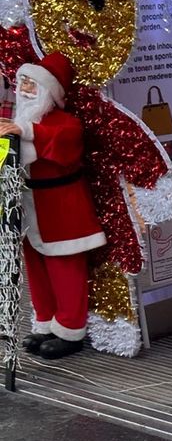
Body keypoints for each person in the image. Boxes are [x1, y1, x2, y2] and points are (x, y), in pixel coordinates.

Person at [0, 52, 104, 358]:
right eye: (22, 83)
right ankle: (45, 323)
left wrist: (24, 131)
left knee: (64, 268)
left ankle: (70, 330)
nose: (25, 90)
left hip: (61, 208)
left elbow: (63, 142)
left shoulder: (64, 123)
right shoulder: (19, 121)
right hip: (30, 205)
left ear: (49, 91)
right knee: (36, 268)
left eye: (32, 85)